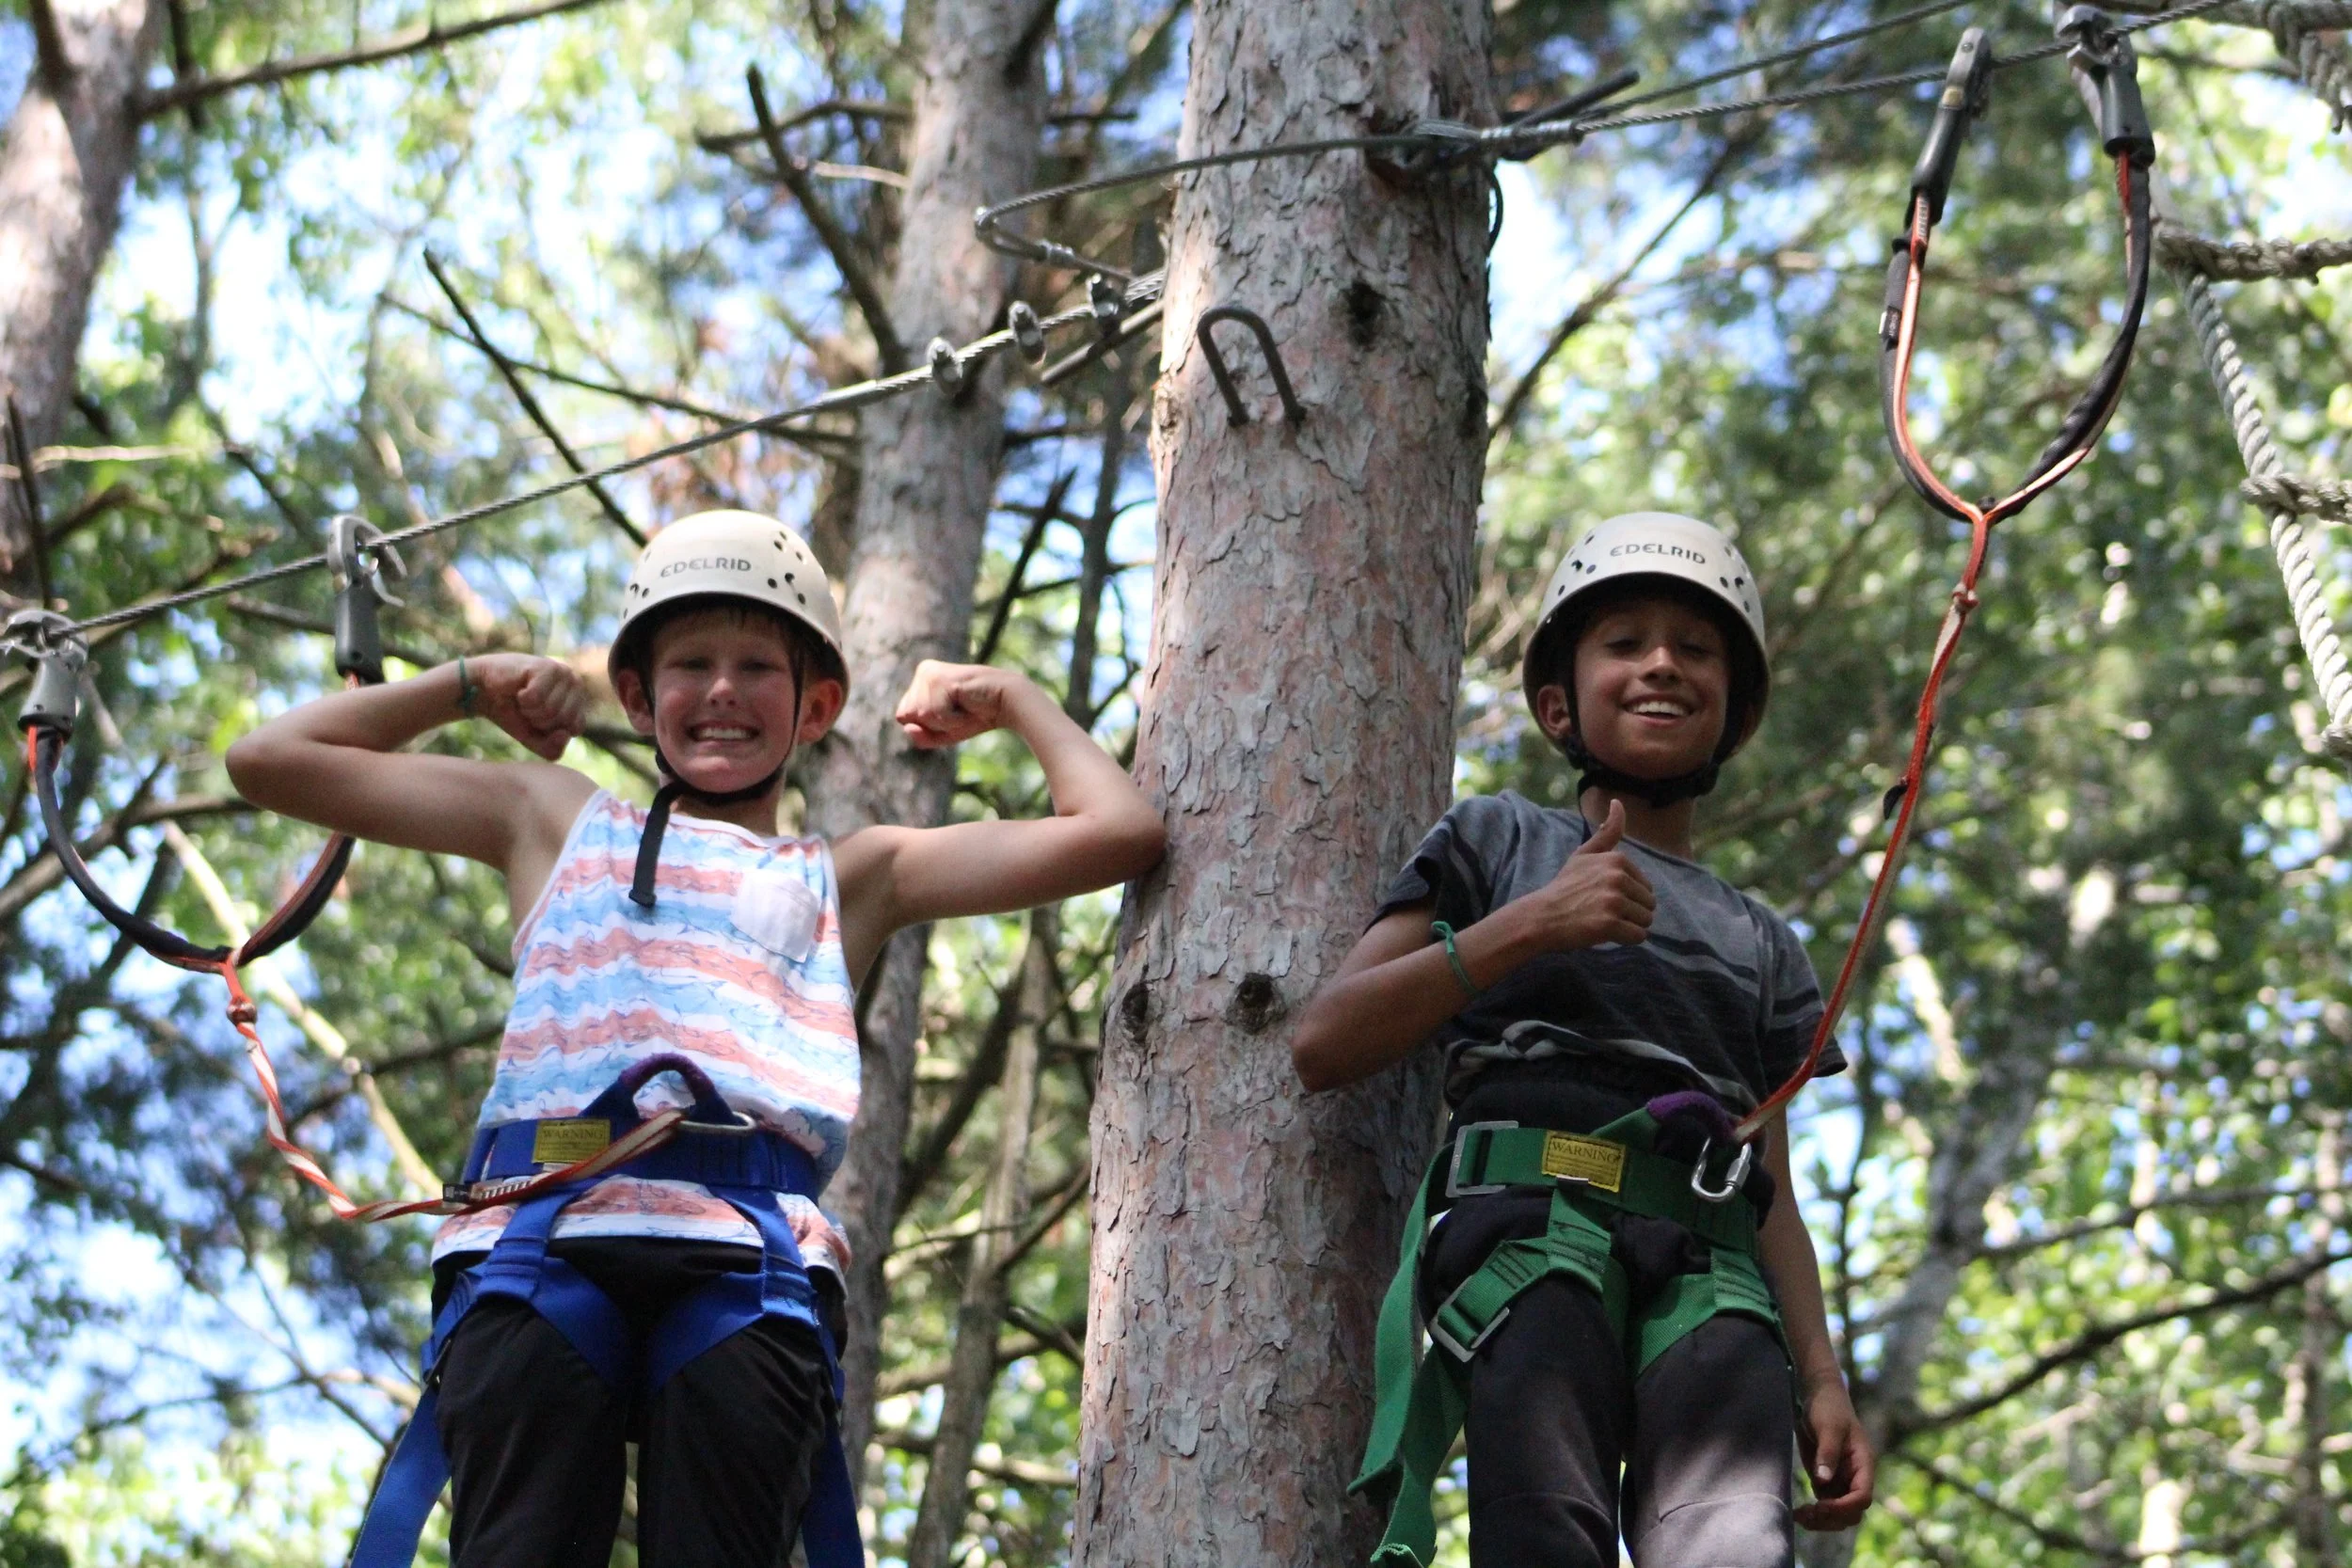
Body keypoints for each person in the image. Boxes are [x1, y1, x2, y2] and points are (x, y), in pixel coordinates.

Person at [226, 510, 1165, 1568]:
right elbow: (267, 759)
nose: (722, 690)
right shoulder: (553, 818)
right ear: (638, 696)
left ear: (814, 705)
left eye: (757, 665)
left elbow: (1118, 833)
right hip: (539, 1239)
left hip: (745, 1261)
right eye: (691, 664)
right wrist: (467, 685)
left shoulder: (851, 877)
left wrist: (1010, 698)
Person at [1290, 512, 1874, 1568]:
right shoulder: (1497, 839)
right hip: (1530, 1235)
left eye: (1695, 649)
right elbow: (1324, 1039)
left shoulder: (1764, 943)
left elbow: (1772, 1184)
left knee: (1735, 1548)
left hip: (1712, 1270)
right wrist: (1529, 923)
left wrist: (1823, 1377)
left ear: (1730, 709)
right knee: (1540, 1533)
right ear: (1560, 700)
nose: (1662, 663)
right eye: (1625, 641)